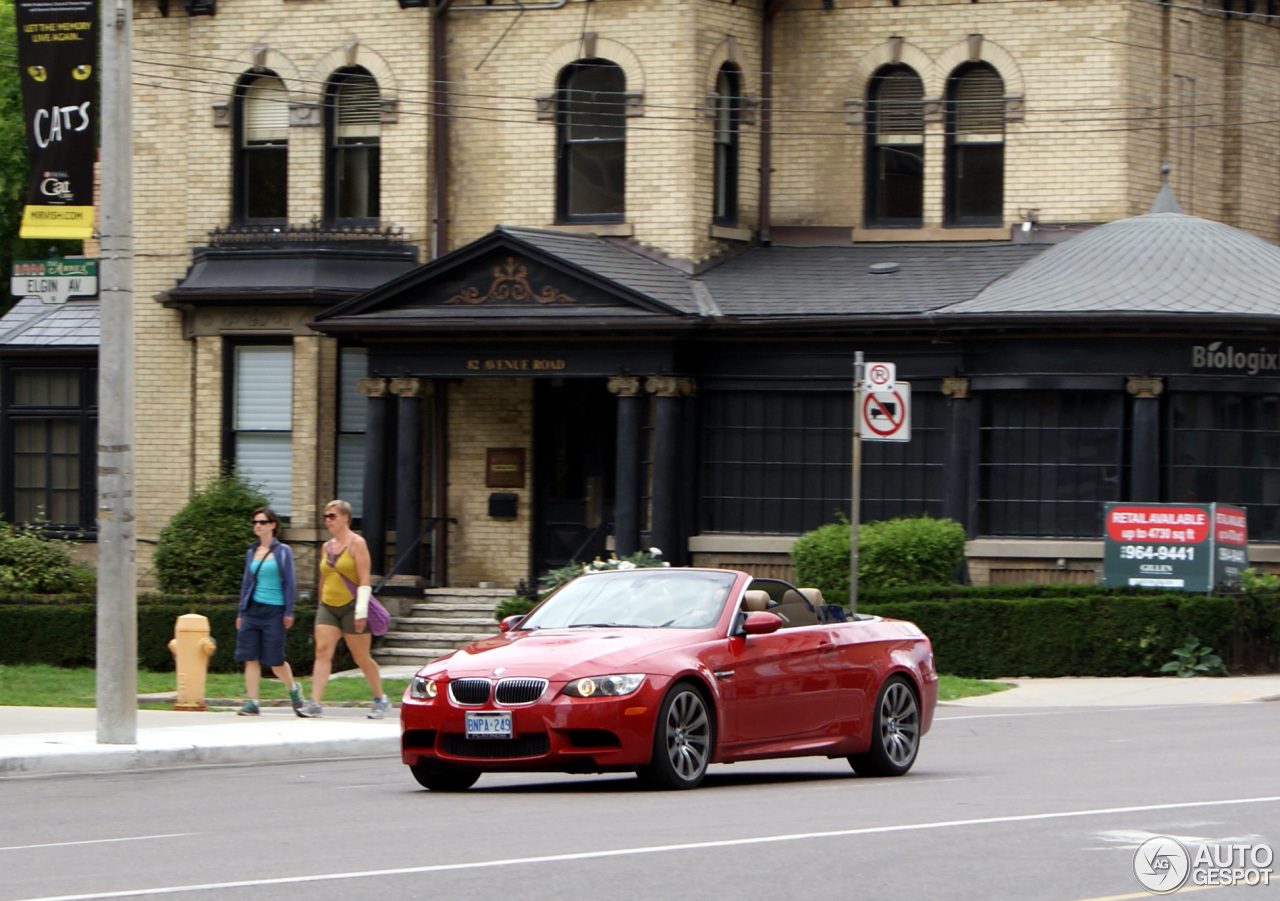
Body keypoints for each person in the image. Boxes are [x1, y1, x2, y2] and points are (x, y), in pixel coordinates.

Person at [300, 499, 390, 718]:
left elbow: (364, 579)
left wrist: (361, 612)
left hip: (352, 606)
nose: (328, 520)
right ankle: (315, 702)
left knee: (360, 657)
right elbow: (324, 576)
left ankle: (380, 698)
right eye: (326, 516)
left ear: (345, 518)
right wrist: (320, 602)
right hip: (328, 606)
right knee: (322, 651)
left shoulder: (357, 543)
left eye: (332, 516)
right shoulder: (326, 547)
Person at [235, 507, 306, 717]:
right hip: (252, 609)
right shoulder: (251, 552)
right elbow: (246, 583)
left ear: (273, 525)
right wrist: (241, 612)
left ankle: (293, 689)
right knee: (250, 656)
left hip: (274, 610)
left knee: (275, 659)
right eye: (255, 522)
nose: (258, 525)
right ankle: (253, 702)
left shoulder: (283, 551)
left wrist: (289, 611)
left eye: (263, 522)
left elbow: (290, 582)